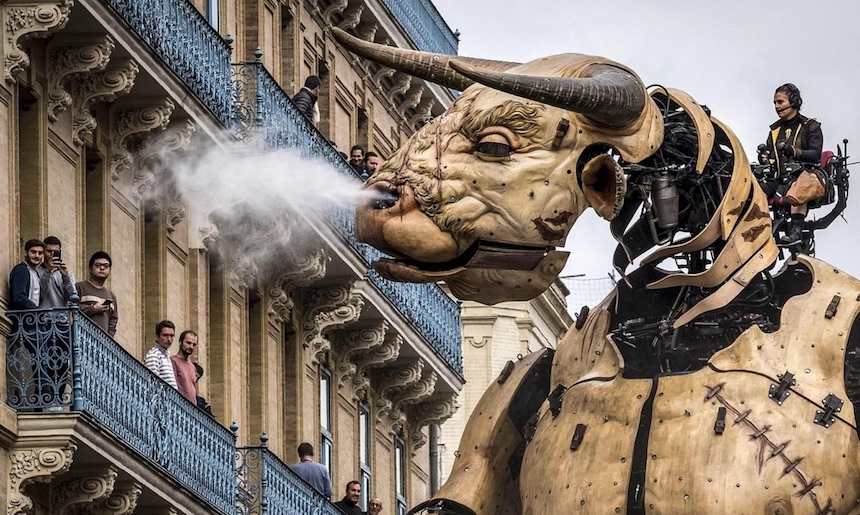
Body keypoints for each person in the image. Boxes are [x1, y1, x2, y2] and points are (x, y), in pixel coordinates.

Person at [758, 83, 823, 246]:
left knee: (798, 189)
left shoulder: (811, 126)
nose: (776, 107)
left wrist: (793, 152)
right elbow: (772, 157)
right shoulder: (774, 131)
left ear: (794, 101)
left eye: (780, 102)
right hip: (778, 178)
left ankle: (796, 230)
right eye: (775, 103)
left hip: (804, 176)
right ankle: (760, 230)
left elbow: (816, 154)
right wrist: (765, 158)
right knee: (755, 192)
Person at [76, 251, 118, 336]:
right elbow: (71, 309)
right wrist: (93, 308)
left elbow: (113, 321)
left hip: (101, 345)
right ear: (90, 269)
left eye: (106, 266)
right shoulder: (79, 287)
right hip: (81, 339)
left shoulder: (111, 295)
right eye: (98, 265)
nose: (102, 268)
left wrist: (108, 340)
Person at [40, 236, 78, 307]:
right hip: (42, 315)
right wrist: (48, 271)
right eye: (49, 251)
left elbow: (72, 297)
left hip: (61, 316)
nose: (52, 254)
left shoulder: (67, 272)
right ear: (43, 251)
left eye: (55, 252)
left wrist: (65, 277)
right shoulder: (37, 270)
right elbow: (39, 294)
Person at [9, 239, 45, 310]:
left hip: (32, 317)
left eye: (40, 253)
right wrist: (36, 310)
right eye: (33, 252)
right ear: (26, 253)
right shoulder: (21, 270)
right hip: (24, 317)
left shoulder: (36, 273)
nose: (37, 256)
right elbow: (18, 297)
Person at [144, 320, 178, 389]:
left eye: (171, 336)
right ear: (157, 337)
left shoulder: (166, 356)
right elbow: (152, 383)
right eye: (165, 335)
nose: (169, 339)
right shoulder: (154, 355)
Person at [171, 330, 198, 403]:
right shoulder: (173, 361)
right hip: (179, 407)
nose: (191, 347)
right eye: (188, 343)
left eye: (194, 344)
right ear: (180, 342)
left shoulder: (192, 367)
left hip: (192, 410)